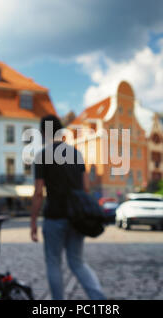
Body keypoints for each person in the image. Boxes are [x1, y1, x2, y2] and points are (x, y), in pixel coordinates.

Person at [30, 115, 106, 300]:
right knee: (77, 262)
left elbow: (39, 192)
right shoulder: (76, 154)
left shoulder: (42, 155)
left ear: (43, 132)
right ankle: (98, 299)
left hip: (54, 216)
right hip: (76, 216)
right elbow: (86, 187)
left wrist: (33, 222)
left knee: (54, 264)